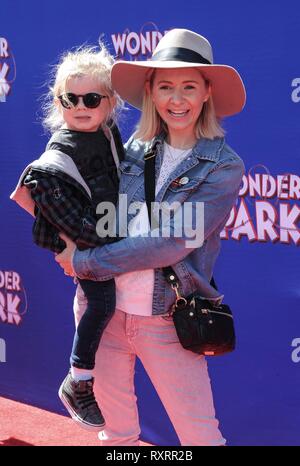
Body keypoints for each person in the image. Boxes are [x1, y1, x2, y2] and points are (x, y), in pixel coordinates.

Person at [55, 28, 246, 446]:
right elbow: (101, 217)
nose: (176, 100)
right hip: (101, 312)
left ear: (206, 92)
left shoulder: (223, 167)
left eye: (188, 87)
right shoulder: (129, 152)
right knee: (117, 435)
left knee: (200, 437)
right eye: (166, 87)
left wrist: (84, 261)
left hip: (167, 319)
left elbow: (173, 242)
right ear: (151, 92)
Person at [10, 45, 125, 430]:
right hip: (83, 241)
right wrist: (118, 246)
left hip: (110, 234)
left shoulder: (109, 134)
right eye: (69, 99)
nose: (80, 105)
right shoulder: (52, 161)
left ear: (110, 103)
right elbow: (71, 222)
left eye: (91, 98)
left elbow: (124, 180)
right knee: (103, 300)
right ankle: (77, 381)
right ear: (58, 103)